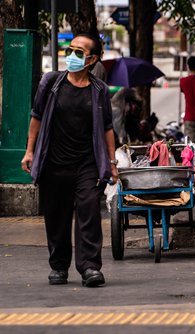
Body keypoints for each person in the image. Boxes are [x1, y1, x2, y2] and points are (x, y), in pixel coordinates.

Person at [20, 33, 117, 287]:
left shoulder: (99, 90)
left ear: (92, 59)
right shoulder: (51, 82)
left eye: (79, 52)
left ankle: (90, 267)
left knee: (89, 214)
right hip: (54, 163)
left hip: (87, 164)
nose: (71, 55)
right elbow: (36, 117)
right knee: (56, 216)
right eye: (70, 49)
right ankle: (59, 266)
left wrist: (112, 163)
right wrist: (29, 151)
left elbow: (108, 127)